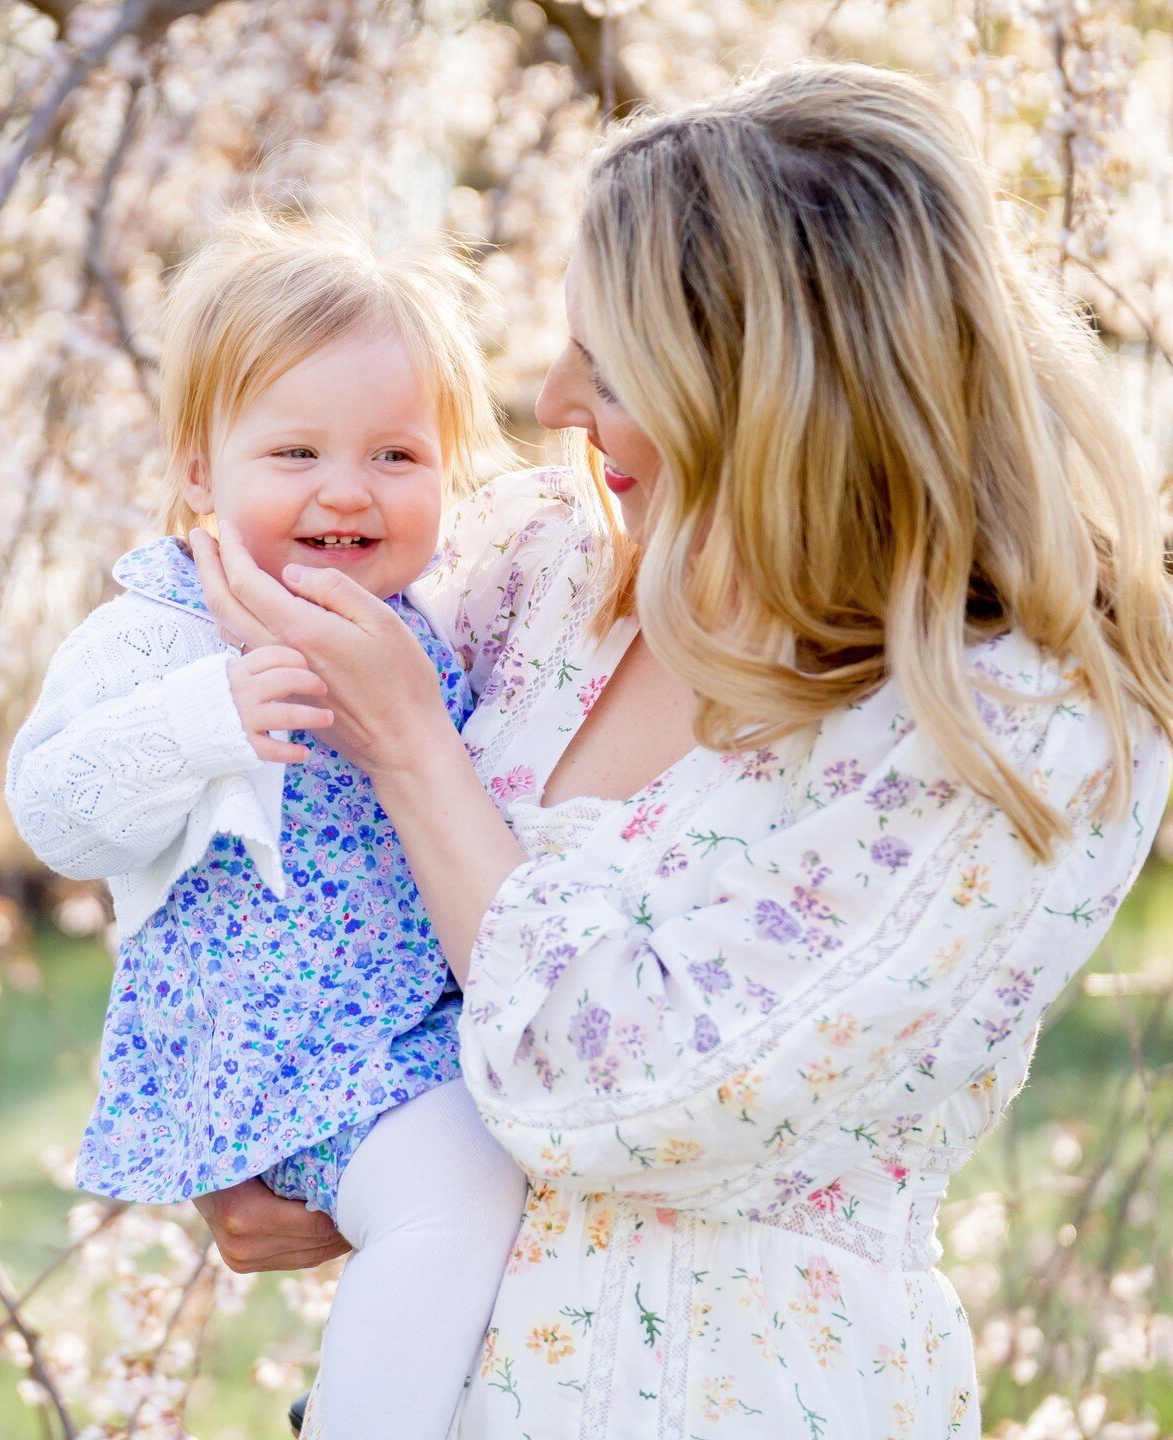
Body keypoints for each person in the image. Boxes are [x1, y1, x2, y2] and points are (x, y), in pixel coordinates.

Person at [190, 63, 1173, 1437]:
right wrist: (266, 1112)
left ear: (765, 381)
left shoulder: (1012, 727)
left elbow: (623, 1101)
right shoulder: (544, 571)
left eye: (607, 364)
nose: (547, 402)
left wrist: (416, 750)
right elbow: (249, 766)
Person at [3, 209, 527, 1440]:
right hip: (285, 1051)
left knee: (481, 1211)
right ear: (199, 469)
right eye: (295, 452)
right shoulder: (161, 633)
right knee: (459, 1193)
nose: (347, 490)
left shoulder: (432, 622)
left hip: (411, 1035)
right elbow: (51, 813)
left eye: (397, 456)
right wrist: (204, 718)